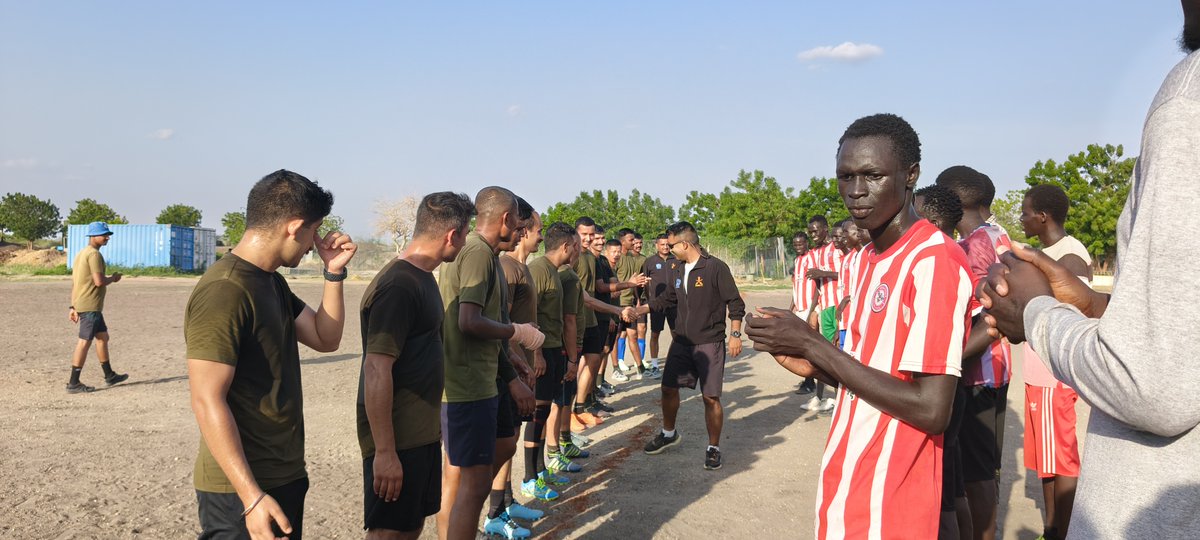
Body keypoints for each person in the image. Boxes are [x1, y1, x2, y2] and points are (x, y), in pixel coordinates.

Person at [980, 11, 1200, 535]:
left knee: (1059, 472)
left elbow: (1154, 389)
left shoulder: (1188, 102)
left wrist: (1036, 313)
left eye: (1031, 210)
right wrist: (1096, 308)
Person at [747, 113, 973, 539]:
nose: (855, 191)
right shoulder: (868, 259)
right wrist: (812, 364)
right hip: (849, 477)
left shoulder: (933, 261)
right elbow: (876, 369)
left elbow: (931, 409)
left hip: (891, 498)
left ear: (910, 176)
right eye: (845, 176)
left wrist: (814, 344)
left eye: (872, 176)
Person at [186, 169, 358, 540]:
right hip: (240, 488)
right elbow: (206, 398)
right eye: (314, 232)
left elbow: (325, 338)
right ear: (294, 228)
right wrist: (250, 497)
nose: (314, 244)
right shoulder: (225, 290)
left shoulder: (270, 281)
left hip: (283, 474)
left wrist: (333, 274)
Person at [357, 191, 474, 539]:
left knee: (409, 526)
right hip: (398, 437)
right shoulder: (399, 284)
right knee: (389, 532)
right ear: (452, 235)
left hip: (420, 433)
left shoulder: (423, 277)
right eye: (465, 234)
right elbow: (376, 369)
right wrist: (385, 452)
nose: (465, 242)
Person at [436, 187, 541, 540]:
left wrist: (512, 366)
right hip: (466, 386)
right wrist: (519, 332)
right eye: (520, 223)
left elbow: (487, 327)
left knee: (481, 474)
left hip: (483, 381)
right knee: (467, 486)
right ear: (507, 219)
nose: (522, 232)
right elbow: (469, 321)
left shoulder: (488, 257)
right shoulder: (478, 254)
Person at [936, 165, 1012, 540]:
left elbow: (989, 311)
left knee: (977, 471)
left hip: (977, 371)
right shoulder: (997, 234)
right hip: (992, 371)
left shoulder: (975, 244)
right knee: (978, 467)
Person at [636, 221, 745, 471]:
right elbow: (667, 299)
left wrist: (735, 334)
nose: (669, 249)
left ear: (685, 244)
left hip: (709, 343)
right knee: (667, 388)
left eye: (672, 245)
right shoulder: (677, 268)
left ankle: (713, 447)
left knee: (710, 397)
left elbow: (735, 302)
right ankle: (668, 433)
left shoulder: (715, 267)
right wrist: (638, 309)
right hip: (682, 342)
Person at [1013, 184, 1089, 540]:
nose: (1022, 217)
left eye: (1026, 212)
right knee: (1047, 458)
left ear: (1042, 217)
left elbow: (1078, 311)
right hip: (1038, 370)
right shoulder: (1049, 251)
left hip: (1052, 373)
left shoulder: (1070, 254)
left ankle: (1063, 529)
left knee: (1061, 457)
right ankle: (1052, 525)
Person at [915, 183, 974, 539]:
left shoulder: (945, 257)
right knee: (949, 490)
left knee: (943, 499)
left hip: (943, 391)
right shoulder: (937, 254)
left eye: (914, 213)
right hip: (943, 388)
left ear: (933, 221)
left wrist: (942, 359)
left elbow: (986, 327)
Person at [521, 222, 581, 505]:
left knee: (544, 415)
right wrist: (538, 354)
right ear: (567, 246)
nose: (577, 250)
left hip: (555, 352)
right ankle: (529, 479)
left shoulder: (555, 273)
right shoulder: (537, 270)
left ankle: (542, 470)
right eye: (576, 245)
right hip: (543, 355)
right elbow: (528, 318)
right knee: (537, 415)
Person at [66, 221, 128, 393]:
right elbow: (99, 281)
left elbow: (76, 283)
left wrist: (72, 306)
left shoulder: (81, 254)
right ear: (93, 236)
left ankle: (109, 375)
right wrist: (113, 279)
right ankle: (73, 383)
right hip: (90, 305)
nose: (107, 237)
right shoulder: (94, 255)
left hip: (85, 304)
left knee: (103, 337)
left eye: (107, 234)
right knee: (84, 342)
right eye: (104, 235)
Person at [804, 215, 842, 413]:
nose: (813, 234)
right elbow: (818, 287)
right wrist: (813, 311)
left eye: (816, 230)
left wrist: (822, 273)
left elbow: (847, 272)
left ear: (826, 229)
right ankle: (818, 397)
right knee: (824, 355)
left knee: (837, 356)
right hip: (825, 308)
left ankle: (839, 401)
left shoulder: (837, 248)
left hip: (839, 307)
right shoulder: (814, 253)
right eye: (810, 231)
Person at [642, 233, 677, 379]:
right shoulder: (649, 261)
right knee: (655, 333)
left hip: (675, 304)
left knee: (677, 334)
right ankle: (655, 365)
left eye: (667, 244)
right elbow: (643, 283)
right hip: (657, 304)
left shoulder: (677, 260)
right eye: (662, 244)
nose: (665, 247)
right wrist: (648, 300)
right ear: (656, 245)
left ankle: (676, 363)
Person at [788, 231, 819, 395]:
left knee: (809, 347)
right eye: (795, 244)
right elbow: (795, 287)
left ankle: (810, 382)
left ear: (807, 243)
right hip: (799, 309)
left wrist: (812, 310)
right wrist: (790, 308)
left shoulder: (813, 258)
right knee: (800, 347)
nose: (798, 246)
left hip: (809, 309)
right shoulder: (797, 261)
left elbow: (817, 285)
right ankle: (808, 379)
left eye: (801, 243)